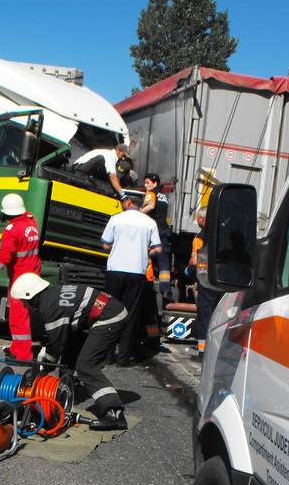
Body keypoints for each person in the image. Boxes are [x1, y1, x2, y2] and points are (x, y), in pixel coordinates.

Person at [10, 273, 129, 431]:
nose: (26, 306)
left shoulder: (49, 307)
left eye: (25, 302)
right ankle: (68, 388)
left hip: (110, 316)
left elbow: (56, 346)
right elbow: (62, 342)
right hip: (101, 312)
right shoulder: (52, 293)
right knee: (70, 345)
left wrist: (42, 369)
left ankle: (113, 413)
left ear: (31, 297)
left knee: (86, 366)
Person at [101, 196, 162, 366]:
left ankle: (107, 355)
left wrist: (118, 248)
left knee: (110, 311)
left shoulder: (115, 219)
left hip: (115, 270)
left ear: (128, 202)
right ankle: (124, 357)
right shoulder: (150, 223)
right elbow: (157, 248)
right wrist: (144, 253)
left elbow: (105, 245)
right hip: (136, 272)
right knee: (131, 314)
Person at [0, 193, 41, 360]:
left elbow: (4, 257)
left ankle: (23, 354)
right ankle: (17, 347)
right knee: (24, 313)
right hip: (33, 273)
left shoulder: (12, 229)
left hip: (20, 277)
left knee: (18, 315)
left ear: (7, 212)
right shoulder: (31, 221)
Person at [189, 206, 222, 358]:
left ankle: (202, 351)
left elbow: (195, 260)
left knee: (205, 314)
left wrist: (188, 268)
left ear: (202, 219)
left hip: (206, 279)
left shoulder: (200, 237)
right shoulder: (222, 234)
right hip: (221, 279)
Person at [141, 173, 173, 300]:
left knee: (145, 255)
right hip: (163, 231)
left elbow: (151, 206)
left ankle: (144, 285)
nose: (145, 185)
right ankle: (165, 291)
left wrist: (137, 212)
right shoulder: (163, 196)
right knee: (163, 262)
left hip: (153, 231)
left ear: (154, 183)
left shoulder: (151, 193)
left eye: (147, 182)